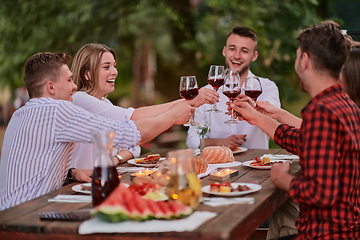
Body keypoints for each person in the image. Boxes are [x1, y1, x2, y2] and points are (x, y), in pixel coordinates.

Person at [0, 52, 194, 210]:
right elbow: (128, 134)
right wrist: (172, 116)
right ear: (51, 87)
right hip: (28, 215)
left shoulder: (21, 114)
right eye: (69, 81)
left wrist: (71, 173)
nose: (74, 87)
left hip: (14, 212)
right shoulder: (56, 110)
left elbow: (33, 166)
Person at [231, 20, 360, 239]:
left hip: (327, 234)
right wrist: (258, 117)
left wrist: (283, 180)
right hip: (348, 227)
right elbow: (306, 142)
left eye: (297, 55)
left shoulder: (322, 111)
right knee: (281, 214)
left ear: (306, 60)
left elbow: (322, 193)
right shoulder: (344, 105)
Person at [70, 43, 219, 169]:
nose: (115, 72)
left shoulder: (105, 103)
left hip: (102, 178)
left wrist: (115, 159)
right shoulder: (80, 100)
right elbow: (135, 118)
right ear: (87, 74)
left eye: (114, 66)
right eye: (106, 67)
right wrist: (191, 101)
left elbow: (133, 144)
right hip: (78, 186)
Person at [186, 26, 280, 150]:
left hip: (257, 164)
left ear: (254, 56)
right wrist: (220, 142)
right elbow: (192, 140)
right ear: (224, 51)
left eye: (244, 51)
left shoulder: (267, 87)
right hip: (217, 165)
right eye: (232, 49)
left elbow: (274, 120)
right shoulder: (206, 92)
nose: (237, 55)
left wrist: (252, 109)